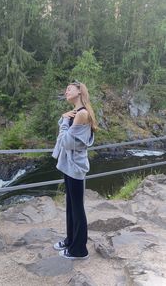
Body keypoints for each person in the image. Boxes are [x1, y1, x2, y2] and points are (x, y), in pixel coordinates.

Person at [52, 80, 98, 260]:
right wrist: (65, 118)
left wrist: (64, 120)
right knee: (71, 206)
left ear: (79, 91)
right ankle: (71, 240)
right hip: (68, 165)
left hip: (75, 167)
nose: (66, 91)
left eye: (69, 88)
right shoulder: (75, 113)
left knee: (77, 208)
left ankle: (79, 250)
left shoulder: (82, 114)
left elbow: (66, 142)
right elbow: (66, 137)